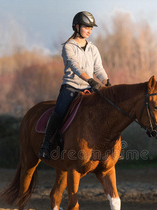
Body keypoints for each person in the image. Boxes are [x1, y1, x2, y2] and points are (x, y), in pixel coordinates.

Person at [39, 11, 111, 160]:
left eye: (91, 28)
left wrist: (107, 82)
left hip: (89, 88)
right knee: (59, 111)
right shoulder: (68, 47)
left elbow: (99, 69)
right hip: (71, 87)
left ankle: (105, 146)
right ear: (76, 27)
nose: (89, 30)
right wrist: (90, 80)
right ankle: (46, 144)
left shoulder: (93, 48)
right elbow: (75, 66)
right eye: (86, 27)